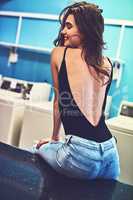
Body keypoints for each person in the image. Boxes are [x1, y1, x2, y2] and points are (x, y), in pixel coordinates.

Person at [34, 1, 120, 180]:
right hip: (111, 155)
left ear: (86, 29)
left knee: (38, 148)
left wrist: (53, 139)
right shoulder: (107, 63)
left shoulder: (59, 53)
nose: (63, 31)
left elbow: (59, 102)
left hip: (80, 158)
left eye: (68, 26)